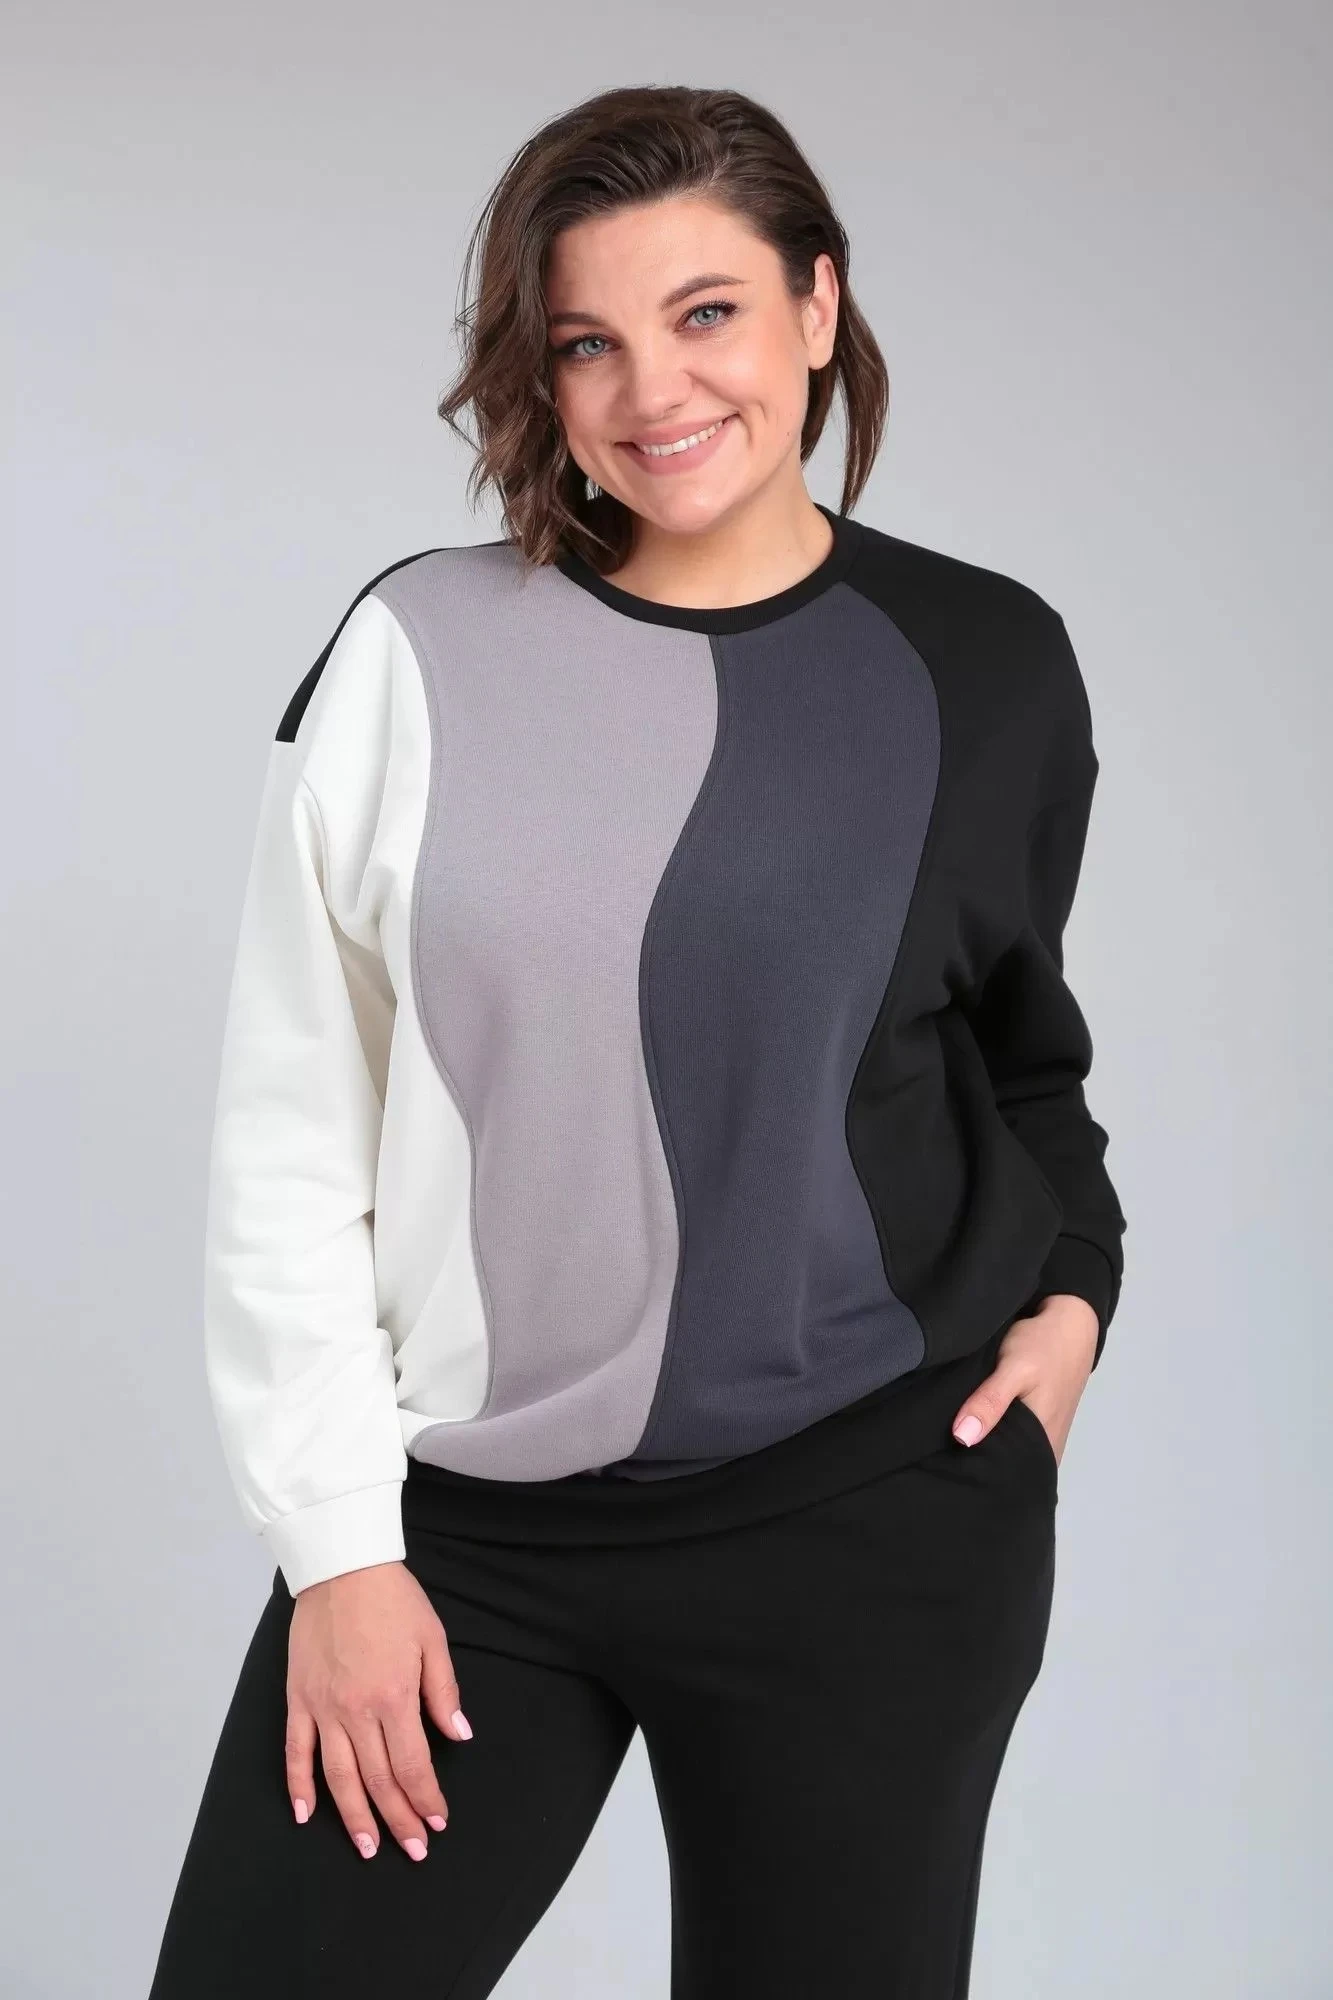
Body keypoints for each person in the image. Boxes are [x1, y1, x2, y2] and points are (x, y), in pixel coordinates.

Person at [148, 82, 1127, 1999]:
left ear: (817, 307)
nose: (651, 389)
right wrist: (338, 1550)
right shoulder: (414, 653)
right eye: (587, 339)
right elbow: (291, 1137)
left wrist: (1079, 1294)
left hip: (869, 1516)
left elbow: (1022, 1062)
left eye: (707, 314)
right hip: (469, 1542)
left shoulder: (985, 662)